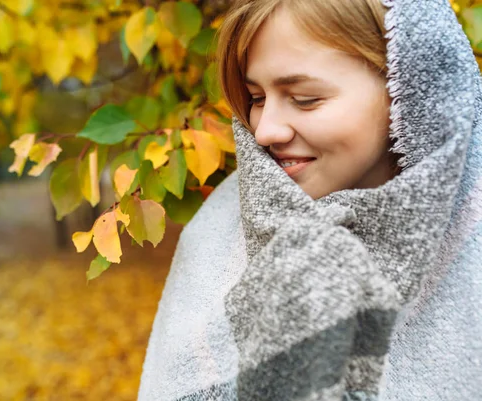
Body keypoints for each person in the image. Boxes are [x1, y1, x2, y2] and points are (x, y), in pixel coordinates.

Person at [138, 0, 482, 400]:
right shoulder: (215, 233)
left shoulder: (470, 232)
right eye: (256, 98)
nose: (265, 131)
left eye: (304, 99)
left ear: (409, 86)